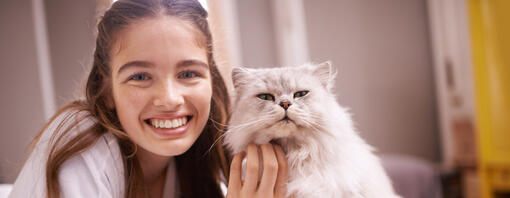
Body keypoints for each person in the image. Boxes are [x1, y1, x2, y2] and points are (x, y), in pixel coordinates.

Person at [9, 0, 288, 197]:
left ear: (212, 84)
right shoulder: (80, 141)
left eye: (189, 73)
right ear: (106, 91)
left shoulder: (205, 161)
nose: (169, 99)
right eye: (140, 77)